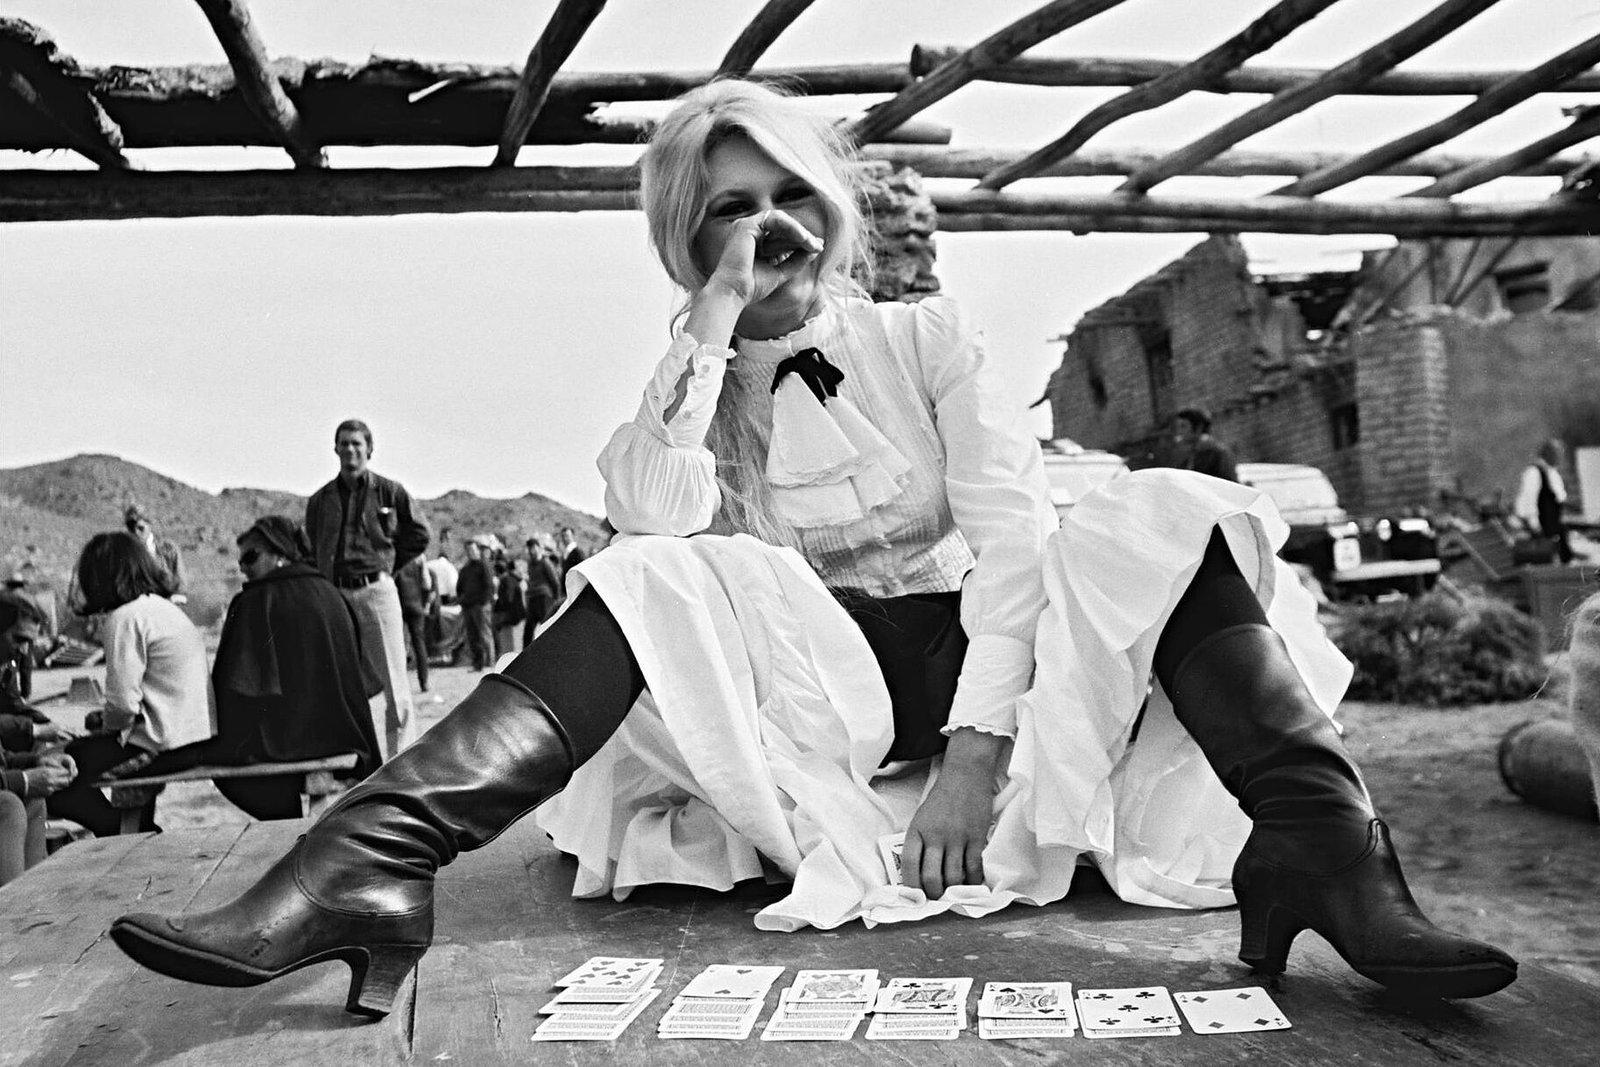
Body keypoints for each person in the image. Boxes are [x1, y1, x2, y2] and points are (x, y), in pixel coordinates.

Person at [110, 80, 1515, 1017]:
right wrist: (712, 327)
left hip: (987, 658)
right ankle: (365, 864)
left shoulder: (926, 337)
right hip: (828, 685)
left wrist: (974, 755)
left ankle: (1330, 854)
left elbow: (1012, 547)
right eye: (728, 206)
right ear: (687, 236)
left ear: (829, 208)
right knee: (657, 564)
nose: (766, 225)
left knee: (1149, 512)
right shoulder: (694, 377)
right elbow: (651, 524)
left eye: (783, 192)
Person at [144, 516, 383, 821]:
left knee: (222, 763)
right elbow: (364, 682)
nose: (242, 567)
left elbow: (233, 689)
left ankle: (284, 821)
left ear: (280, 554)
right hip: (346, 736)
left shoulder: (254, 601)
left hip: (282, 744)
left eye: (250, 557)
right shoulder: (332, 594)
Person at [47, 533, 213, 837]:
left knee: (54, 772)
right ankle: (137, 831)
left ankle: (122, 835)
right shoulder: (162, 608)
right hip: (193, 740)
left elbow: (122, 705)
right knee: (81, 757)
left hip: (162, 746)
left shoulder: (125, 617)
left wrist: (106, 727)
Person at [304, 419, 431, 760]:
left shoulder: (390, 492)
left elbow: (420, 534)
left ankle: (400, 767)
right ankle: (354, 763)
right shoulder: (320, 501)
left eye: (356, 443)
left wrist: (387, 564)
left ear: (369, 450)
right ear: (335, 449)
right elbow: (311, 546)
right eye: (344, 443)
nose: (350, 450)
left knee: (394, 684)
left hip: (376, 590)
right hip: (335, 595)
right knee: (339, 683)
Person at [0, 596, 78, 884]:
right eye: (18, 639)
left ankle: (34, 895)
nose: (24, 650)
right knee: (8, 806)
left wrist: (38, 762)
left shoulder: (5, 664)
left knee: (32, 799)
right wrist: (24, 779)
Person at [1513, 437, 1573, 564]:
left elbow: (1558, 497)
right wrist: (1535, 526)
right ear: (1548, 454)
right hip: (1542, 527)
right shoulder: (1534, 472)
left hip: (1552, 526)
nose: (1560, 458)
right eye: (1557, 454)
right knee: (1545, 560)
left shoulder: (1551, 472)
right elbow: (1528, 502)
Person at [393, 551, 435, 694]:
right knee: (419, 644)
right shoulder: (419, 557)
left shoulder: (394, 555)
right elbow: (427, 584)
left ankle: (400, 685)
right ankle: (424, 681)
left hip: (398, 605)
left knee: (398, 645)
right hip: (416, 605)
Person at [123, 504, 186, 597]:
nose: (136, 532)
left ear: (149, 525)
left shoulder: (168, 549)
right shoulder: (124, 553)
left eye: (141, 528)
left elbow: (180, 583)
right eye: (131, 529)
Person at [455, 538, 494, 671]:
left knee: (484, 635)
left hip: (480, 606)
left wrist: (484, 602)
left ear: (477, 550)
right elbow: (459, 586)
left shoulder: (484, 565)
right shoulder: (466, 568)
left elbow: (489, 586)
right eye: (468, 550)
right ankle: (478, 663)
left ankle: (490, 663)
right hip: (468, 606)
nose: (470, 552)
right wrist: (462, 600)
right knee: (473, 636)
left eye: (472, 549)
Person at [1171, 406, 1238, 482]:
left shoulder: (1218, 453)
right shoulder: (1185, 452)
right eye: (1178, 427)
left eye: (1183, 426)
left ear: (1198, 428)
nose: (1179, 431)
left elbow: (1230, 484)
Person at [522, 535, 563, 647]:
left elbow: (555, 583)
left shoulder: (545, 563)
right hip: (532, 598)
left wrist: (556, 601)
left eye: (534, 548)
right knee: (528, 630)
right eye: (530, 549)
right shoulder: (530, 563)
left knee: (546, 627)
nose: (532, 551)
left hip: (544, 599)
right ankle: (525, 655)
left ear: (539, 548)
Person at [492, 557, 528, 657]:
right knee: (514, 644)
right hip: (515, 616)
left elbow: (508, 600)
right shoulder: (511, 579)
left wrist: (499, 608)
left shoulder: (507, 581)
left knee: (511, 647)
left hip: (512, 617)